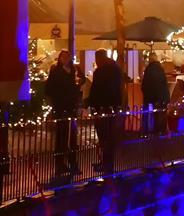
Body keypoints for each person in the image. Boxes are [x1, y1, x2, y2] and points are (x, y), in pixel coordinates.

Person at [86, 49, 127, 171]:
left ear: (98, 58)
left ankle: (106, 164)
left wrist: (90, 104)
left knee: (104, 137)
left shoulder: (101, 71)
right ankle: (108, 163)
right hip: (113, 106)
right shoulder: (116, 69)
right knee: (110, 137)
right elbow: (120, 88)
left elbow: (96, 90)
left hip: (102, 107)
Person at [44, 50, 82, 179]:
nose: (65, 59)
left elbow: (81, 81)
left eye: (67, 57)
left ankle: (72, 163)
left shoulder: (73, 69)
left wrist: (76, 87)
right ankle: (60, 164)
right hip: (61, 106)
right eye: (63, 57)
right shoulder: (56, 71)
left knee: (72, 136)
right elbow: (49, 88)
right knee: (61, 136)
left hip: (71, 106)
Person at [141, 52, 170, 134]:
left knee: (153, 114)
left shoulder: (149, 69)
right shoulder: (160, 68)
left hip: (153, 96)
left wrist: (146, 95)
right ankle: (161, 130)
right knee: (161, 114)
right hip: (162, 96)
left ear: (150, 59)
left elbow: (146, 84)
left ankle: (152, 130)